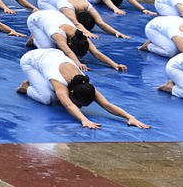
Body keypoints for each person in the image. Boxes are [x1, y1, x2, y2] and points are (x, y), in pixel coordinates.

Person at [17, 49, 150, 129]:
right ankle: (26, 87)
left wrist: (130, 117)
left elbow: (107, 104)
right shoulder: (59, 82)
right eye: (79, 104)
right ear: (72, 92)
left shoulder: (85, 83)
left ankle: (38, 82)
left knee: (57, 97)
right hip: (31, 60)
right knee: (48, 98)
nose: (79, 107)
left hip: (53, 55)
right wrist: (84, 119)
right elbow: (68, 105)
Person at [26, 10, 127, 72]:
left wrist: (114, 64)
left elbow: (96, 53)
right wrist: (78, 63)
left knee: (59, 49)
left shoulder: (81, 35)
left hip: (52, 16)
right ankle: (33, 39)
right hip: (35, 20)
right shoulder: (58, 34)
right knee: (50, 50)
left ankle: (41, 35)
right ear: (69, 43)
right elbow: (69, 51)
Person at [37, 0, 129, 38]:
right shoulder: (67, 8)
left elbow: (101, 23)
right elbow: (76, 24)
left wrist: (116, 32)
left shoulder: (88, 6)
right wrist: (86, 32)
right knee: (61, 19)